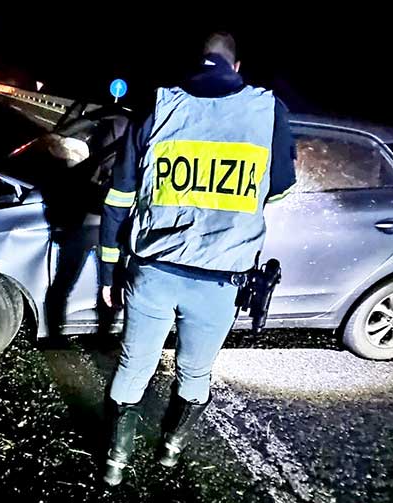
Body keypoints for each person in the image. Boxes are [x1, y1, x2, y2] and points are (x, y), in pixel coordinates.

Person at [97, 32, 297, 485]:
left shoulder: (158, 106)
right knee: (195, 371)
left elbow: (118, 199)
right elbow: (282, 185)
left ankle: (115, 462)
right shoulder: (269, 111)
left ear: (196, 62)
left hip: (153, 272)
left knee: (133, 366)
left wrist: (109, 270)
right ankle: (170, 448)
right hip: (220, 281)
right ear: (237, 65)